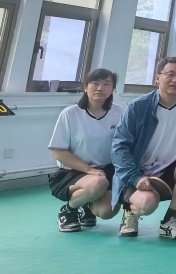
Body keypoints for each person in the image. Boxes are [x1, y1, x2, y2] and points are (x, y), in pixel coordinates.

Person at [112, 57, 176, 240]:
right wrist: (135, 177)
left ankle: (169, 220)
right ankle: (130, 211)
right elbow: (119, 147)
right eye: (170, 74)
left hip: (171, 171)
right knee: (147, 204)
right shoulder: (138, 107)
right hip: (138, 171)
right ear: (157, 78)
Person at [48, 69, 124, 232]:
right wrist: (88, 169)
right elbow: (58, 151)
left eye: (106, 84)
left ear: (112, 89)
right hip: (74, 171)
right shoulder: (70, 113)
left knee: (107, 211)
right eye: (95, 83)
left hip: (106, 170)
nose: (100, 88)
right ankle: (69, 210)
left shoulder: (119, 112)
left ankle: (87, 205)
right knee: (98, 183)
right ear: (85, 87)